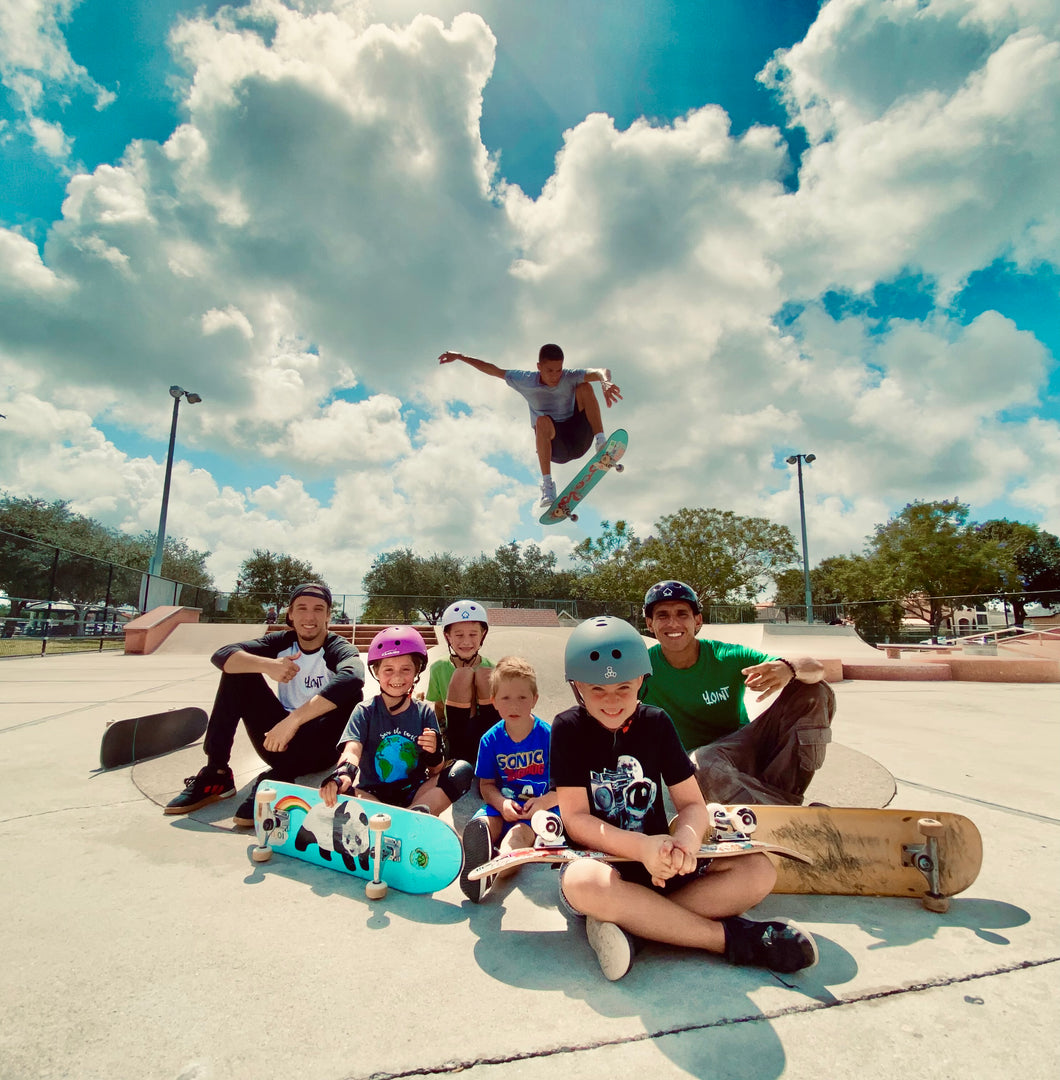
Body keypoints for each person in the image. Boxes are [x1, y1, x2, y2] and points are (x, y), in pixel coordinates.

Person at [550, 616, 818, 981]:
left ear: (643, 681)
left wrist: (687, 842)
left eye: (624, 688)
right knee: (585, 884)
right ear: (576, 686)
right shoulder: (567, 728)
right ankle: (729, 939)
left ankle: (636, 927)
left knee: (758, 871)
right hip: (601, 862)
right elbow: (576, 819)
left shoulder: (657, 722)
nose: (611, 701)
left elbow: (692, 804)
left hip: (663, 865)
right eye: (597, 690)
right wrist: (641, 847)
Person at [164, 583, 365, 825]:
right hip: (277, 742)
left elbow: (354, 675)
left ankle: (280, 778)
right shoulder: (282, 642)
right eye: (301, 608)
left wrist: (293, 720)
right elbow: (222, 655)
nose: (309, 616)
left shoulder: (336, 647)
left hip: (321, 748)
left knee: (351, 692)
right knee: (237, 671)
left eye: (318, 609)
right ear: (290, 614)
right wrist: (269, 666)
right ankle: (217, 773)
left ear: (328, 615)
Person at [641, 580, 835, 806]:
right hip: (697, 764)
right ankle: (780, 811)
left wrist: (788, 667)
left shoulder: (726, 656)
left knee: (813, 689)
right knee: (702, 761)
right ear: (650, 624)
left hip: (744, 747)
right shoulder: (643, 668)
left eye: (682, 614)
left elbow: (817, 669)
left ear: (697, 621)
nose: (673, 623)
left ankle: (785, 800)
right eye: (662, 616)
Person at [438, 343, 622, 506]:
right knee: (541, 421)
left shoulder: (569, 376)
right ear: (539, 367)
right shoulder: (524, 380)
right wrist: (460, 357)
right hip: (556, 447)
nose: (556, 376)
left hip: (580, 438)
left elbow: (600, 371)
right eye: (550, 371)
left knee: (585, 386)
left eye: (559, 370)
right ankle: (547, 486)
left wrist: (605, 382)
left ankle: (601, 442)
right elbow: (493, 369)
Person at [320, 626, 473, 814]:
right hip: (372, 794)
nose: (397, 677)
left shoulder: (424, 712)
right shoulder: (365, 711)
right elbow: (352, 749)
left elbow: (435, 771)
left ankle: (411, 814)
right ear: (376, 672)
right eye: (388, 669)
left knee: (461, 770)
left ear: (417, 671)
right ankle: (410, 818)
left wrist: (433, 754)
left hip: (415, 792)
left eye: (406, 669)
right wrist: (343, 774)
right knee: (342, 789)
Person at [459, 656, 559, 902]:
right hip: (501, 805)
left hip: (535, 812)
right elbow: (486, 786)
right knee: (481, 826)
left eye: (522, 697)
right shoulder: (490, 740)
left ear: (534, 699)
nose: (514, 705)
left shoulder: (550, 737)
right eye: (505, 698)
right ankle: (480, 848)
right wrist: (501, 804)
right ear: (494, 702)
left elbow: (565, 787)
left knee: (517, 838)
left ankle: (495, 870)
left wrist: (544, 803)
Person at [425, 600, 499, 766]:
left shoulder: (492, 667)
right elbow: (438, 707)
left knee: (484, 675)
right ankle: (457, 758)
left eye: (473, 634)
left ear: (483, 635)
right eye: (459, 635)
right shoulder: (438, 667)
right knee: (461, 677)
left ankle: (489, 757)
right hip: (456, 735)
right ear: (447, 637)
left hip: (486, 734)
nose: (466, 642)